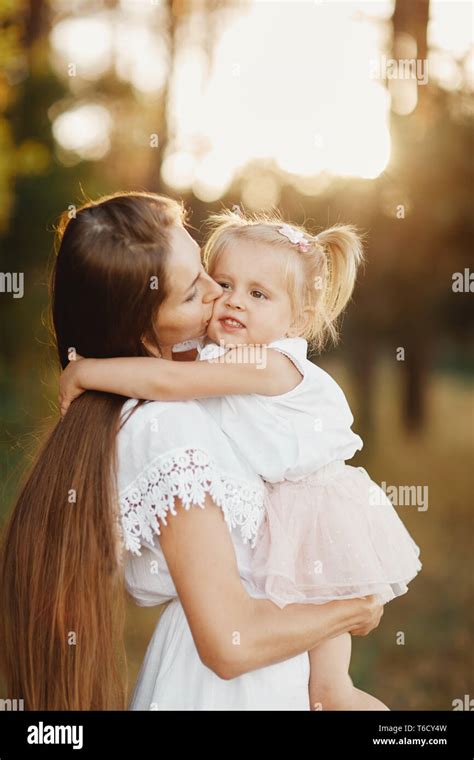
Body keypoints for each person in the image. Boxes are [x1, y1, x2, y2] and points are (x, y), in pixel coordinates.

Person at [59, 207, 421, 710]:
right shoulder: (221, 354)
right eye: (221, 283)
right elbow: (169, 368)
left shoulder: (270, 361)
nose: (230, 301)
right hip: (285, 522)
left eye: (258, 294)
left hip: (315, 514)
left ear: (300, 319)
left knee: (331, 688)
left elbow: (171, 381)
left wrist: (87, 372)